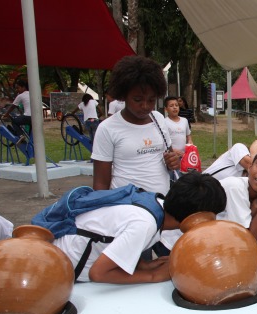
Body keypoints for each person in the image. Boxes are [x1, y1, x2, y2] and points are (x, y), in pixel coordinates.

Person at [51, 172, 226, 284]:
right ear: (195, 217)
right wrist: (153, 276)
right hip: (61, 273)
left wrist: (144, 265)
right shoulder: (145, 224)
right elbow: (98, 274)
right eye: (212, 217)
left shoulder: (154, 204)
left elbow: (110, 238)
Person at [91, 55, 180, 194]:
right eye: (137, 99)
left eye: (151, 100)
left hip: (162, 204)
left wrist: (173, 162)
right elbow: (100, 183)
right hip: (127, 207)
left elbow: (169, 157)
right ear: (124, 95)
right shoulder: (107, 128)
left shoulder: (158, 119)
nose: (145, 106)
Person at [0, 78, 31, 142]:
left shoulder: (21, 95)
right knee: (30, 131)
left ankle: (20, 136)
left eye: (18, 88)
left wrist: (6, 114)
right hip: (36, 117)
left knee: (14, 121)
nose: (17, 90)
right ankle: (30, 141)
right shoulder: (31, 94)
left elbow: (12, 106)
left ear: (23, 87)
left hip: (28, 116)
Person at [163, 96, 193, 160]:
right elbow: (163, 142)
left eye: (176, 105)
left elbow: (188, 135)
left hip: (184, 155)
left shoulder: (184, 120)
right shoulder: (164, 122)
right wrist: (173, 150)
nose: (174, 107)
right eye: (171, 106)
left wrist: (190, 142)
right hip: (171, 156)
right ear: (166, 109)